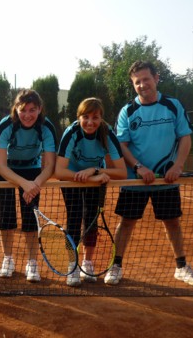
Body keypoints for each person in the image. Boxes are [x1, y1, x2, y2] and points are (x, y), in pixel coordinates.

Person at [104, 60, 193, 287]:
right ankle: (115, 265)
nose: (142, 85)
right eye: (137, 82)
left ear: (156, 78)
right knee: (126, 222)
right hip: (135, 180)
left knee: (172, 222)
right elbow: (122, 146)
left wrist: (178, 165)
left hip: (166, 178)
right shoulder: (127, 111)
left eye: (146, 79)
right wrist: (139, 168)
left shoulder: (173, 105)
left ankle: (181, 267)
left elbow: (185, 137)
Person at [55, 97, 127, 287]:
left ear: (101, 118)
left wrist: (95, 171)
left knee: (91, 219)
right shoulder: (71, 133)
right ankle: (73, 266)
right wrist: (89, 176)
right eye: (85, 116)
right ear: (78, 117)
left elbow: (121, 172)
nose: (90, 122)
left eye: (95, 117)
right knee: (74, 218)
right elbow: (59, 171)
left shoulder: (107, 133)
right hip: (71, 178)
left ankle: (87, 263)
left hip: (95, 179)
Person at [0, 89, 57, 282]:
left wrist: (35, 184)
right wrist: (24, 184)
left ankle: (32, 263)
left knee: (30, 218)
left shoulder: (46, 128)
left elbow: (51, 165)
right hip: (5, 169)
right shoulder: (6, 126)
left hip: (32, 168)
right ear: (16, 109)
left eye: (32, 110)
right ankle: (8, 259)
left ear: (39, 109)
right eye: (23, 110)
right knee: (6, 216)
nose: (27, 115)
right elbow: (2, 166)